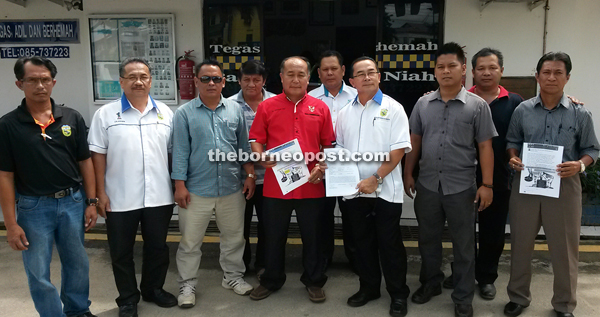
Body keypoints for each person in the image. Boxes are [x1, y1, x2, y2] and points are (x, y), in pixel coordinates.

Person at [403, 42, 497, 317]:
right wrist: (409, 173)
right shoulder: (423, 103)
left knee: (464, 244)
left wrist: (487, 185)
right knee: (427, 239)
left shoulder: (477, 107)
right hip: (428, 184)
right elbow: (415, 140)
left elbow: (485, 147)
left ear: (463, 69)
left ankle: (463, 296)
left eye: (452, 66)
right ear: (434, 71)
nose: (446, 71)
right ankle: (430, 282)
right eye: (440, 67)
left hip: (461, 188)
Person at [0, 56, 98, 317]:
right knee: (38, 270)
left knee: (77, 264)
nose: (40, 85)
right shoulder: (8, 125)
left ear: (53, 82)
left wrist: (91, 202)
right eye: (32, 80)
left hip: (72, 203)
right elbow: (5, 176)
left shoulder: (71, 117)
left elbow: (85, 162)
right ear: (20, 83)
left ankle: (78, 311)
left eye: (45, 79)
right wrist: (11, 224)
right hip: (33, 207)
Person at [504, 52, 599, 317]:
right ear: (537, 76)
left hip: (565, 186)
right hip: (526, 185)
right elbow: (512, 141)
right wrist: (513, 159)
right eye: (546, 72)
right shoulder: (522, 110)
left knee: (565, 249)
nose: (551, 77)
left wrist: (579, 165)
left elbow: (592, 149)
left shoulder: (580, 113)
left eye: (558, 73)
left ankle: (564, 305)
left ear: (567, 77)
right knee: (521, 244)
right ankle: (518, 297)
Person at [88, 57, 177, 317]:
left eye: (144, 77)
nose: (138, 82)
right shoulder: (105, 114)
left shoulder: (165, 113)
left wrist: (176, 186)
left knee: (157, 247)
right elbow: (97, 156)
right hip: (118, 197)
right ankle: (128, 298)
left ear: (151, 80)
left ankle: (153, 289)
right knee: (121, 251)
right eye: (132, 77)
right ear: (121, 81)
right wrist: (99, 194)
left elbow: (173, 154)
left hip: (159, 196)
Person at [248, 56, 335, 302]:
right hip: (277, 185)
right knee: (273, 235)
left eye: (301, 74)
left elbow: (329, 144)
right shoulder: (267, 106)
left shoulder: (320, 108)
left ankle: (314, 281)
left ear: (309, 77)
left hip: (312, 184)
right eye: (290, 74)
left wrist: (321, 167)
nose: (296, 79)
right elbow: (256, 138)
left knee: (313, 236)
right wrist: (260, 155)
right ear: (281, 77)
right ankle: (271, 280)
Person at [172, 59, 256, 308]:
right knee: (190, 241)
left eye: (216, 79)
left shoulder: (235, 110)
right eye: (206, 78)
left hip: (231, 187)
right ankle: (187, 284)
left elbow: (243, 147)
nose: (211, 83)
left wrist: (250, 175)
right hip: (197, 189)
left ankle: (232, 277)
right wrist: (179, 185)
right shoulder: (184, 113)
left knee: (234, 238)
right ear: (196, 81)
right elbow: (180, 152)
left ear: (224, 82)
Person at [442, 48, 524, 300]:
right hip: (462, 177)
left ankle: (486, 277)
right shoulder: (458, 98)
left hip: (497, 179)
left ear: (502, 71)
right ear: (472, 71)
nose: (486, 73)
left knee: (492, 232)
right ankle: (462, 272)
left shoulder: (516, 103)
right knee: (462, 231)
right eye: (481, 68)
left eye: (492, 68)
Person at [336, 56, 412, 317]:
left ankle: (398, 294)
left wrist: (376, 178)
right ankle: (369, 288)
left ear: (379, 77)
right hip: (355, 191)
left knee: (389, 245)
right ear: (352, 81)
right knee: (362, 243)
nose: (367, 77)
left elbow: (399, 150)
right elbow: (340, 150)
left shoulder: (394, 109)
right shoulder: (345, 113)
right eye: (361, 74)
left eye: (372, 72)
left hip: (386, 191)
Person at [308, 50, 357, 271]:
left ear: (343, 70)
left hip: (351, 167)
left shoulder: (358, 96)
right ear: (318, 72)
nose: (329, 73)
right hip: (322, 167)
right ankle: (323, 260)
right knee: (321, 217)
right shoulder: (310, 99)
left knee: (353, 216)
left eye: (334, 68)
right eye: (325, 69)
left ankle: (357, 259)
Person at [227, 60, 275, 277]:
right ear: (239, 81)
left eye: (257, 80)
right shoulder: (227, 105)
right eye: (246, 79)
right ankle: (241, 265)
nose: (251, 84)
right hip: (239, 178)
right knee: (238, 227)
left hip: (272, 177)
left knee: (268, 225)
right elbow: (228, 143)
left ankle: (264, 263)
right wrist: (249, 169)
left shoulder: (276, 102)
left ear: (264, 81)